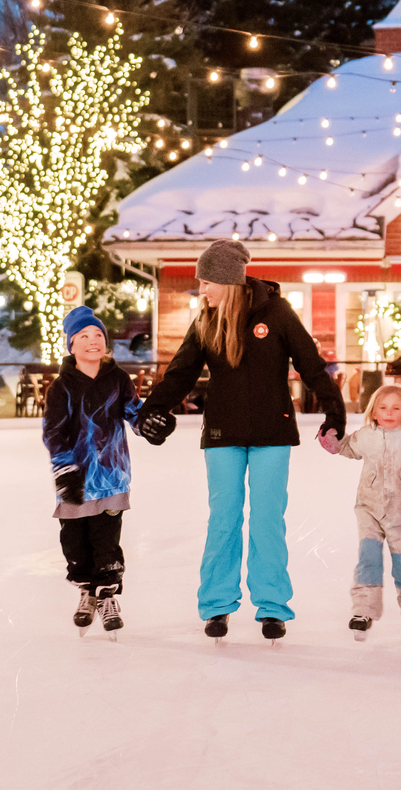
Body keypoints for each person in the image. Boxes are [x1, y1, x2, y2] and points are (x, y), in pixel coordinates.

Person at [136, 240, 346, 642]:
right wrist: (151, 410)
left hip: (271, 432)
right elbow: (180, 373)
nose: (201, 287)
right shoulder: (206, 320)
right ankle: (217, 605)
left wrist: (334, 414)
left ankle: (272, 607)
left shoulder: (277, 313)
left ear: (227, 280)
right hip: (222, 434)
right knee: (224, 520)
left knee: (268, 520)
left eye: (206, 280)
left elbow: (311, 366)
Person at [324, 380, 401, 642]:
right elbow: (347, 447)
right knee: (368, 561)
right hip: (369, 509)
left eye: (395, 408)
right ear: (374, 411)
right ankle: (363, 611)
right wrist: (333, 442)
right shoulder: (365, 436)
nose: (389, 412)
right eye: (383, 407)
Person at [44, 306, 142, 636]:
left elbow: (134, 413)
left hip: (112, 477)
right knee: (75, 544)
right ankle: (87, 591)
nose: (92, 341)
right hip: (74, 479)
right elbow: (53, 432)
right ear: (71, 346)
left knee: (107, 543)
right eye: (83, 336)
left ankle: (108, 596)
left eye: (98, 335)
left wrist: (150, 424)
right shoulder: (62, 387)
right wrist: (65, 468)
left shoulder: (118, 380)